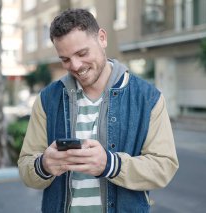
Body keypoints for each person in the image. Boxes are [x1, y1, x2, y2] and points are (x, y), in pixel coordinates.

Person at [18, 8, 179, 213]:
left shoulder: (148, 98)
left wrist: (111, 165)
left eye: (82, 53)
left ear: (102, 38)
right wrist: (43, 165)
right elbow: (26, 167)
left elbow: (164, 167)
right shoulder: (47, 99)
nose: (75, 65)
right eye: (65, 59)